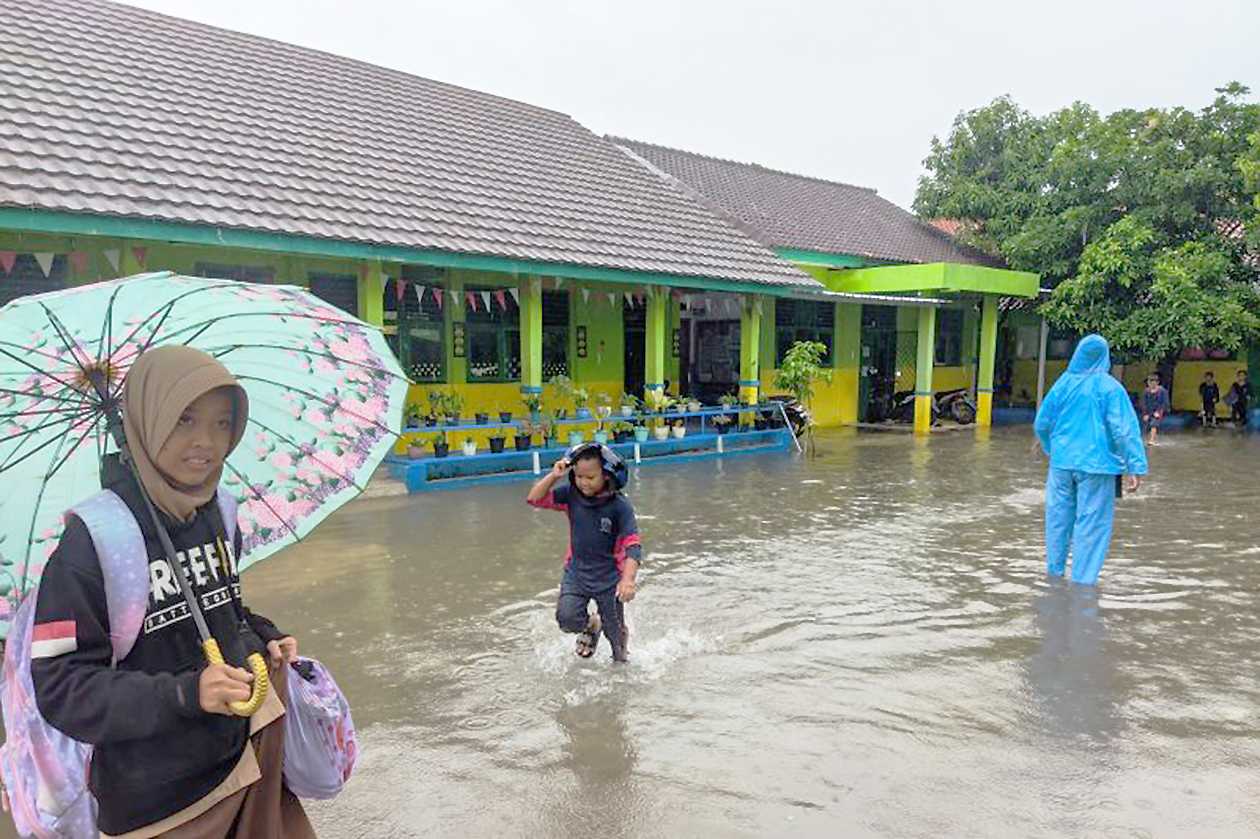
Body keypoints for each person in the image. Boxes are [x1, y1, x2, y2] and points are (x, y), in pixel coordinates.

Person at [31, 346, 314, 838]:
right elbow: (61, 686)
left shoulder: (218, 511)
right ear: (147, 419)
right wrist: (185, 693)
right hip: (161, 806)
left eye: (223, 423)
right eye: (184, 419)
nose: (206, 442)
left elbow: (222, 608)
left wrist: (263, 636)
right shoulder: (93, 541)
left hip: (245, 761)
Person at [1034, 335, 1149, 586]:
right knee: (1092, 524)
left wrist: (1052, 449)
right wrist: (1135, 466)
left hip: (1062, 465)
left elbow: (1041, 423)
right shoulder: (1110, 388)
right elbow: (1123, 431)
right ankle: (1082, 588)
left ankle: (1054, 576)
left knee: (1057, 520)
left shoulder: (1062, 384)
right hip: (1098, 466)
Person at [526, 443, 641, 662]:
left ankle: (621, 668)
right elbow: (535, 499)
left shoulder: (620, 506)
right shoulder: (571, 495)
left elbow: (633, 545)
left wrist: (627, 580)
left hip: (610, 579)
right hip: (577, 574)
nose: (583, 483)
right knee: (566, 619)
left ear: (606, 476)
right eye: (578, 476)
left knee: (616, 641)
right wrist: (554, 476)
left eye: (590, 478)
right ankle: (590, 625)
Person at [1139, 373, 1170, 444]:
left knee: (1154, 424)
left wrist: (1158, 412)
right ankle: (1149, 438)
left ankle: (1152, 440)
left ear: (1157, 382)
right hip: (1149, 410)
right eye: (1149, 382)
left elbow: (1165, 402)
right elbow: (1143, 403)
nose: (1151, 384)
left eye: (1153, 382)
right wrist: (1145, 413)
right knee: (1146, 425)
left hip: (1158, 410)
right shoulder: (1146, 391)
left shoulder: (1162, 391)